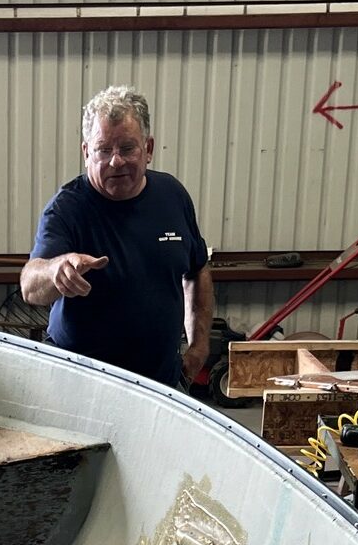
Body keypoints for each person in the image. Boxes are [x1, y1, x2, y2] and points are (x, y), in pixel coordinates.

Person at [20, 85, 214, 389]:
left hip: (161, 386)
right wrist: (56, 270)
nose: (115, 161)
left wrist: (199, 347)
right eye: (103, 150)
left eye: (127, 148)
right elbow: (30, 287)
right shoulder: (67, 208)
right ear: (86, 153)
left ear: (148, 149)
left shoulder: (173, 196)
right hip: (79, 388)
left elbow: (197, 269)